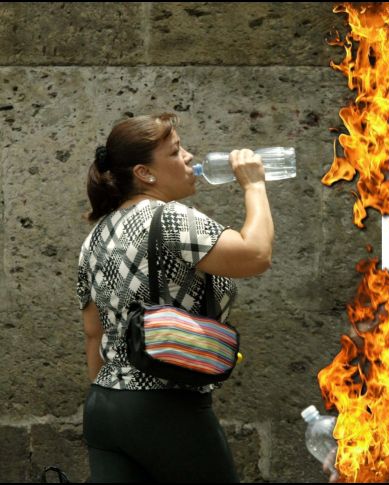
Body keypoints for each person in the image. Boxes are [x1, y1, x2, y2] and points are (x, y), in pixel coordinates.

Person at [78, 113, 275, 481]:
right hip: (166, 405)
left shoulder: (95, 236)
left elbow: (94, 333)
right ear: (144, 173)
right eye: (175, 151)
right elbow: (256, 254)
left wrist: (116, 394)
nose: (188, 157)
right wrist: (254, 186)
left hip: (104, 407)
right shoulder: (170, 218)